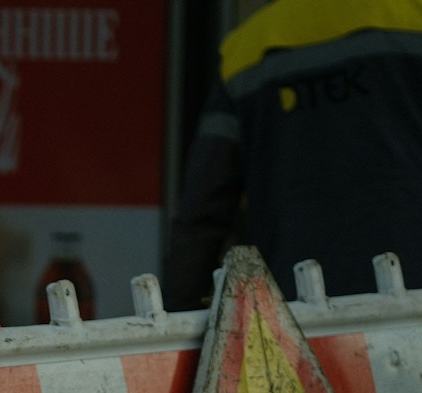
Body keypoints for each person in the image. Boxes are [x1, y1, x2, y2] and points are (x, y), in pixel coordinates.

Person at [163, 0, 422, 310]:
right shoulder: (410, 16)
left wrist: (179, 321)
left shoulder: (249, 47)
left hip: (295, 310)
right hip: (410, 298)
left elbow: (201, 212)